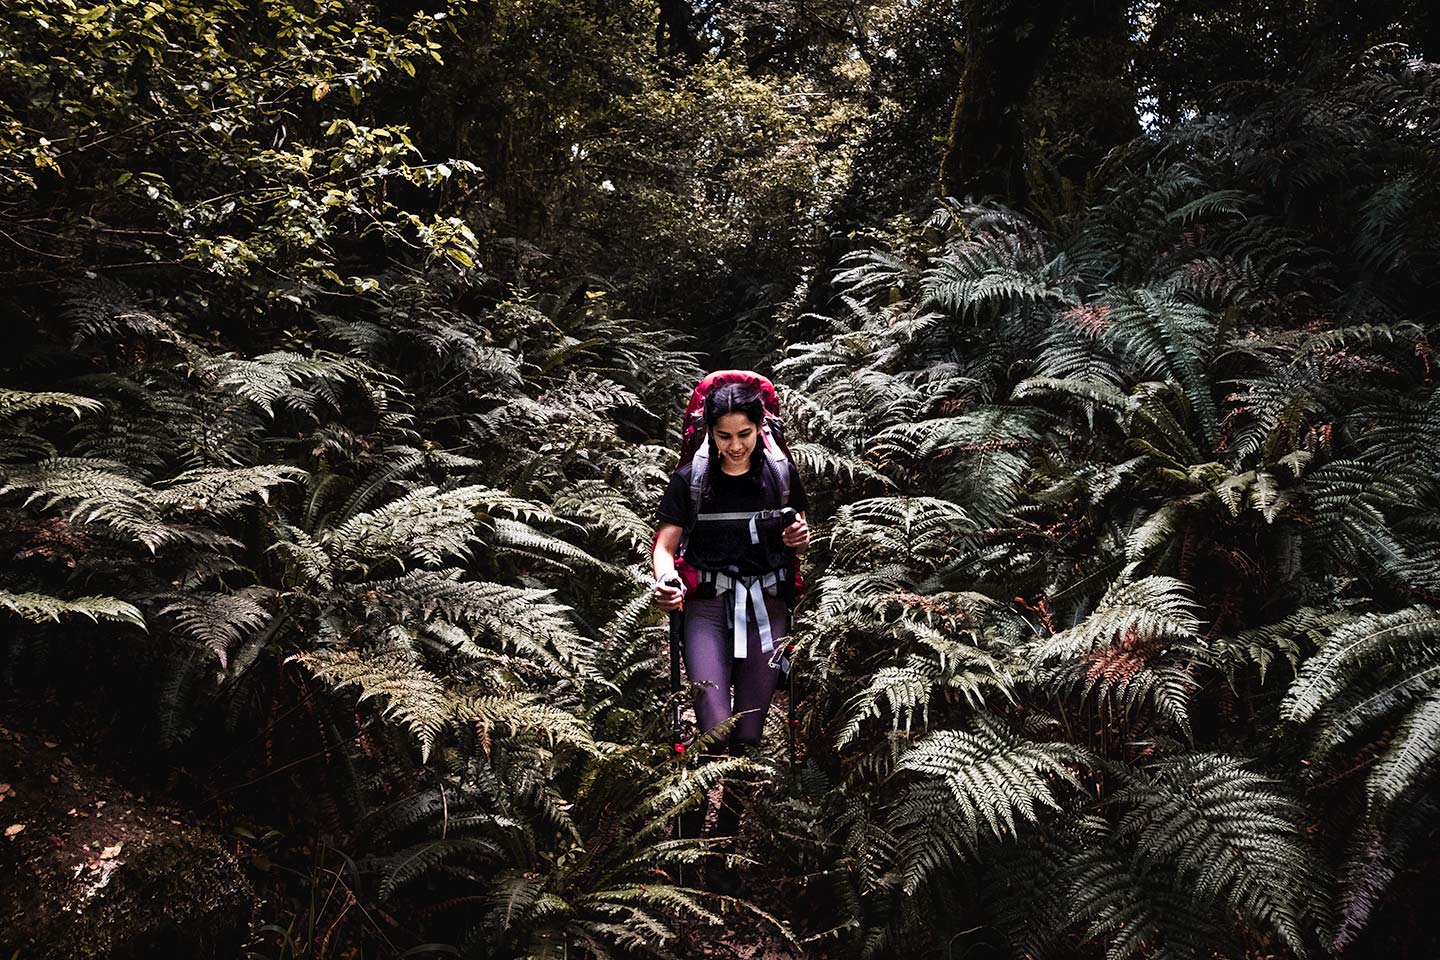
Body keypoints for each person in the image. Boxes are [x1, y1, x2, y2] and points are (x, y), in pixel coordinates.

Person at [651, 381, 810, 765]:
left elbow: (800, 537)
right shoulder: (691, 480)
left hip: (767, 608)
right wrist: (665, 580)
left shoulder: (781, 476)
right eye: (724, 436)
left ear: (760, 428)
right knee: (716, 729)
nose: (735, 446)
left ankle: (729, 814)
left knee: (750, 734)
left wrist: (799, 537)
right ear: (709, 432)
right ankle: (705, 796)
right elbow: (664, 548)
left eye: (745, 434)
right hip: (706, 608)